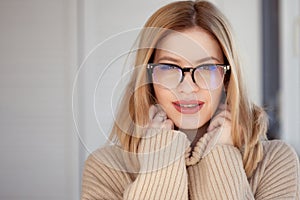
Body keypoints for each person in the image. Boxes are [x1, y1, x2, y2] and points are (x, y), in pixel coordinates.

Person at [81, 1, 300, 199]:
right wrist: (161, 153)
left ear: (227, 78)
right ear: (147, 78)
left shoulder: (274, 161)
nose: (187, 87)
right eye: (168, 67)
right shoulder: (105, 168)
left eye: (206, 68)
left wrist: (221, 152)